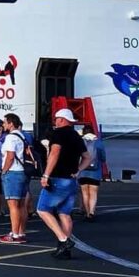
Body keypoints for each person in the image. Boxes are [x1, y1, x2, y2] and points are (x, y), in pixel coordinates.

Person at [38, 108, 92, 259]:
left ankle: (64, 240)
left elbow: (54, 153)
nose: (55, 121)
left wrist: (46, 174)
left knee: (43, 210)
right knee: (65, 214)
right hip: (71, 179)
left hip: (57, 178)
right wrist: (78, 170)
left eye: (56, 119)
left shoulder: (57, 134)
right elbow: (87, 157)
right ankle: (64, 250)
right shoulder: (76, 136)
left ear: (61, 119)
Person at [0, 113, 30, 243]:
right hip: (22, 172)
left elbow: (10, 156)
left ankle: (15, 234)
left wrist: (4, 171)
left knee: (13, 205)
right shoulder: (22, 136)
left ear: (11, 123)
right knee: (21, 204)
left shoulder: (10, 138)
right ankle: (21, 232)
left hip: (13, 172)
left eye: (5, 122)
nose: (3, 125)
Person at [78, 124, 106, 221]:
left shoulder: (80, 141)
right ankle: (92, 212)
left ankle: (86, 211)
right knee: (93, 193)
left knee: (84, 193)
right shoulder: (98, 142)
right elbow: (103, 158)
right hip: (95, 172)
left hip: (82, 171)